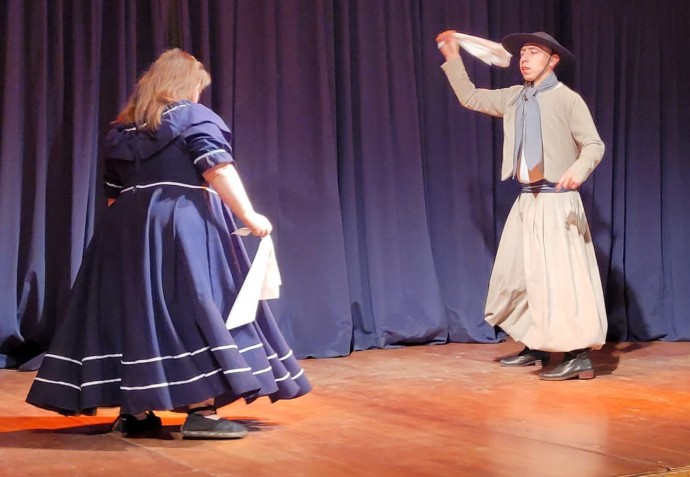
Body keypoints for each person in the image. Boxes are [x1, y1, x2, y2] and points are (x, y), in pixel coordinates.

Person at [26, 48, 311, 437]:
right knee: (194, 304)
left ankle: (137, 413)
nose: (198, 96)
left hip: (124, 227)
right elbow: (218, 169)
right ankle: (200, 414)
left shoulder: (121, 131)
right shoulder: (194, 118)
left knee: (135, 310)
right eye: (197, 87)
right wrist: (250, 216)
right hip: (182, 221)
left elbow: (114, 193)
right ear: (185, 84)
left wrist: (134, 230)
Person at [436, 30, 607, 380]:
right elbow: (470, 97)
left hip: (557, 202)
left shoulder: (567, 99)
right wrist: (453, 56)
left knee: (560, 278)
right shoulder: (515, 97)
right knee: (522, 275)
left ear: (552, 60)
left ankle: (578, 355)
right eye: (522, 54)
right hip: (527, 201)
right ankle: (535, 344)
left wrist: (578, 170)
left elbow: (593, 144)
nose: (524, 59)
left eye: (533, 52)